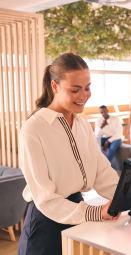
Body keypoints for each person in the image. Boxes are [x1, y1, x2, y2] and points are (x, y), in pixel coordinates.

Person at [18, 53, 120, 255]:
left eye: (87, 88)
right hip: (45, 223)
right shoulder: (33, 129)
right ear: (55, 87)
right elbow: (46, 200)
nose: (84, 96)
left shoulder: (83, 126)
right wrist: (97, 212)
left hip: (78, 215)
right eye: (75, 90)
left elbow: (102, 173)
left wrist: (129, 199)